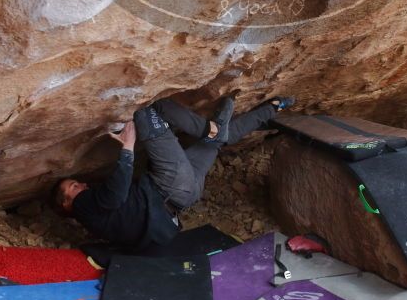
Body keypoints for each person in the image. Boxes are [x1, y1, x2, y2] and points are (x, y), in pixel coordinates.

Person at [54, 95, 295, 251]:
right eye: (72, 188)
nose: (80, 186)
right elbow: (116, 193)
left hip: (185, 196)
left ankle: (272, 109)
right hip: (170, 184)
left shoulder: (98, 221)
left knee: (216, 142)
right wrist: (128, 145)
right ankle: (212, 129)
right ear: (66, 205)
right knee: (147, 110)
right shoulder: (83, 207)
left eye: (76, 182)